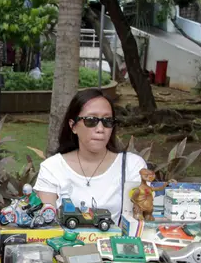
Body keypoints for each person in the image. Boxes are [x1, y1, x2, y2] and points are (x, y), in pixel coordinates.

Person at [33, 88, 148, 225]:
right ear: (73, 126)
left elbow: (138, 220)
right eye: (91, 120)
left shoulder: (132, 166)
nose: (100, 129)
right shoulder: (52, 168)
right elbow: (47, 224)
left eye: (107, 121)